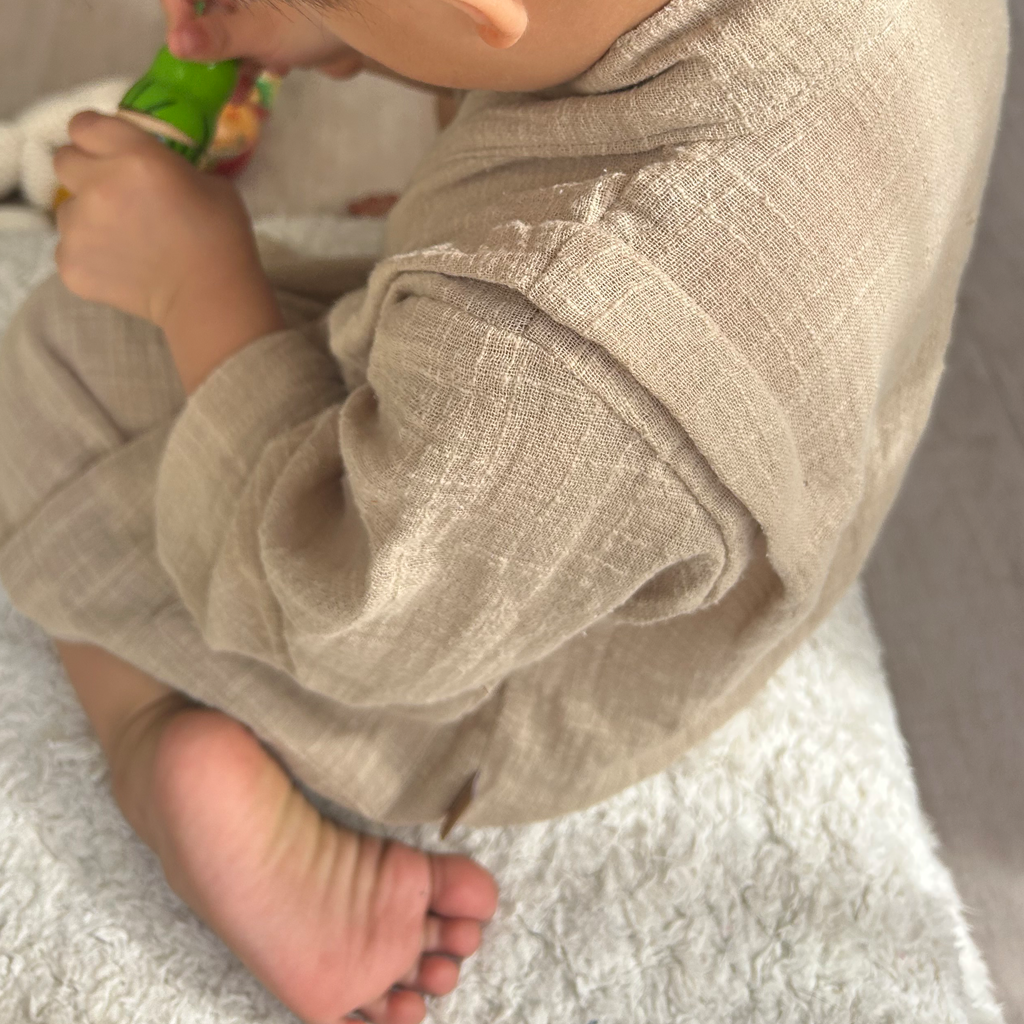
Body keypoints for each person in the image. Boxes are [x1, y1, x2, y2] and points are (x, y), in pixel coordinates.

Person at [0, 0, 1009, 1020]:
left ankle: (142, 732)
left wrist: (192, 288)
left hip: (513, 667)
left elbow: (357, 612)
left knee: (53, 366)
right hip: (726, 473)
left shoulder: (557, 354)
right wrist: (362, 35)